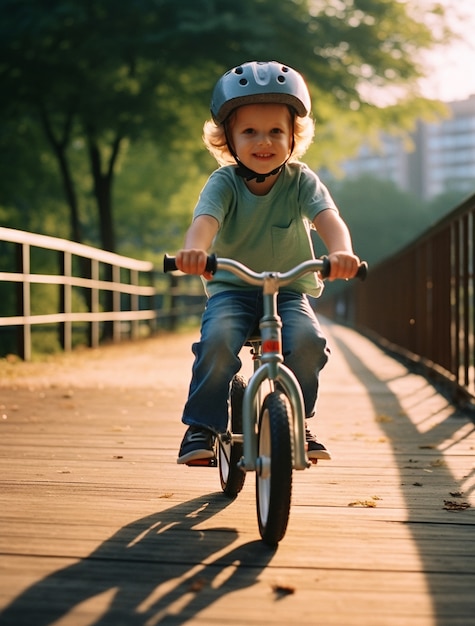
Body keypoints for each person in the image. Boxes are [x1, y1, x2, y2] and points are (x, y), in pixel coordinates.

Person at [175, 61, 360, 464]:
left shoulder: (301, 181)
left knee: (309, 345)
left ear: (293, 135)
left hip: (289, 292)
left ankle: (296, 419)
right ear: (228, 141)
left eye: (276, 131)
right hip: (232, 290)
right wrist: (194, 251)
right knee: (219, 340)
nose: (264, 141)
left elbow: (330, 219)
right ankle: (202, 426)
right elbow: (205, 223)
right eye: (249, 132)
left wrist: (340, 252)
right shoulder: (223, 183)